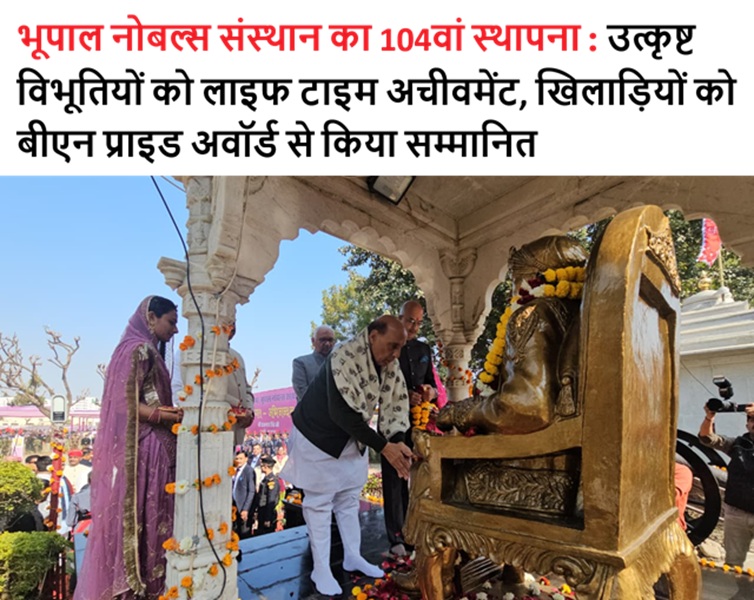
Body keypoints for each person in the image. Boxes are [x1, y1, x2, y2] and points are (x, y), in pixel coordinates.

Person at [281, 315, 413, 596]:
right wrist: (384, 447)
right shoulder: (344, 355)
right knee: (319, 503)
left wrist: (398, 442)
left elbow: (395, 405)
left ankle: (352, 556)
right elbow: (341, 412)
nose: (396, 354)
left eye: (400, 347)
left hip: (351, 437)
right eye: (392, 346)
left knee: (349, 500)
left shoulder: (388, 364)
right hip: (316, 435)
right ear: (373, 336)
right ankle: (320, 568)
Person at [74, 295, 183, 600]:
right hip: (148, 451)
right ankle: (144, 587)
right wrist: (165, 415)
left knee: (157, 518)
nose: (175, 330)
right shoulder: (138, 349)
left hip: (155, 448)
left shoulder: (145, 349)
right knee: (149, 518)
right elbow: (124, 403)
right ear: (151, 317)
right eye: (171, 322)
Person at [437, 236, 588, 434]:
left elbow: (525, 407)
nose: (511, 292)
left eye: (515, 279)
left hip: (541, 448)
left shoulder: (531, 313)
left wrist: (463, 411)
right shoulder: (583, 313)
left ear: (531, 279)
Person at [382, 300, 437, 557]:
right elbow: (381, 384)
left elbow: (433, 385)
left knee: (418, 476)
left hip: (419, 423)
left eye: (418, 322)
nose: (414, 327)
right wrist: (405, 394)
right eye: (410, 321)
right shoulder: (389, 346)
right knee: (395, 477)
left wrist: (428, 392)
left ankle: (414, 530)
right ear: (399, 318)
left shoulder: (424, 349)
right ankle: (396, 536)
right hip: (393, 422)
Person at [171, 321, 254, 450]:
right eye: (227, 321)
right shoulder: (188, 352)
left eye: (234, 322)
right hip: (207, 430)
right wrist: (234, 406)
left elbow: (247, 389)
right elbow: (179, 390)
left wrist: (249, 410)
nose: (232, 326)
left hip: (235, 431)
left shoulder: (237, 356)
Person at [698, 404, 754, 567]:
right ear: (747, 424)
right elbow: (707, 438)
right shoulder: (737, 444)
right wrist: (709, 417)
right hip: (736, 513)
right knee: (733, 563)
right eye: (752, 420)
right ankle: (736, 584)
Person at [291, 325, 336, 402]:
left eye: (330, 340)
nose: (327, 344)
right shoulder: (300, 363)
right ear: (313, 341)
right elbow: (303, 393)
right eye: (322, 340)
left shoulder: (340, 363)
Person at [254, 454, 281, 536]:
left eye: (262, 466)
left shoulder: (272, 481)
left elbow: (271, 500)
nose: (261, 468)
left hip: (266, 512)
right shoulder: (265, 479)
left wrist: (268, 518)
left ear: (266, 467)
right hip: (262, 511)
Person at [232, 449, 256, 539]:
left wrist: (246, 509)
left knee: (244, 533)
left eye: (241, 458)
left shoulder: (249, 471)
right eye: (237, 458)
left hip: (243, 507)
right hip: (235, 506)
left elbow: (251, 491)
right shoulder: (235, 469)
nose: (238, 461)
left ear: (246, 459)